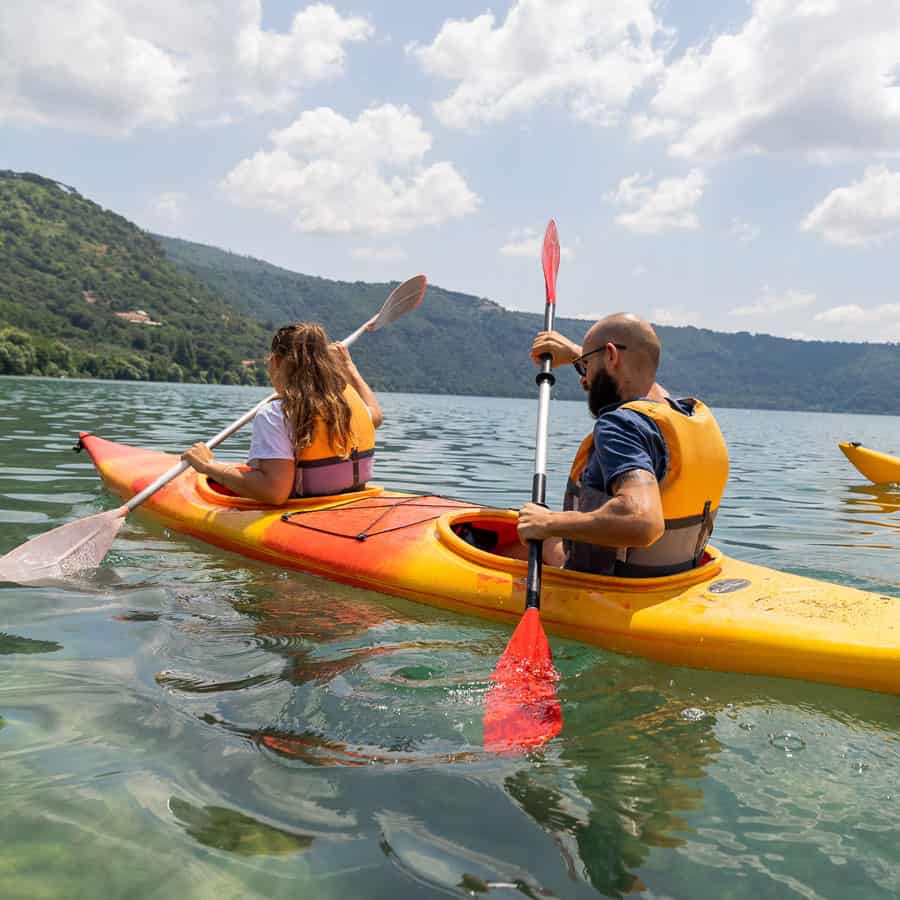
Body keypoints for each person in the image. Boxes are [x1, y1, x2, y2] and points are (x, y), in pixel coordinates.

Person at [516, 313, 729, 576]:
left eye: (587, 366)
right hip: (677, 577)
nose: (584, 379)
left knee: (521, 540)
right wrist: (579, 354)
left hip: (611, 586)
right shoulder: (684, 415)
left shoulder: (619, 426)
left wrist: (550, 522)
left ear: (611, 356)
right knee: (537, 529)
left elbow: (642, 521)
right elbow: (645, 384)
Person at [181, 323, 382, 505]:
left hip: (309, 509)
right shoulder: (343, 401)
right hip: (353, 500)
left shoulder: (276, 413)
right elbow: (375, 416)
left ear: (276, 361)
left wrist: (208, 466)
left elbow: (274, 492)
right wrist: (350, 368)